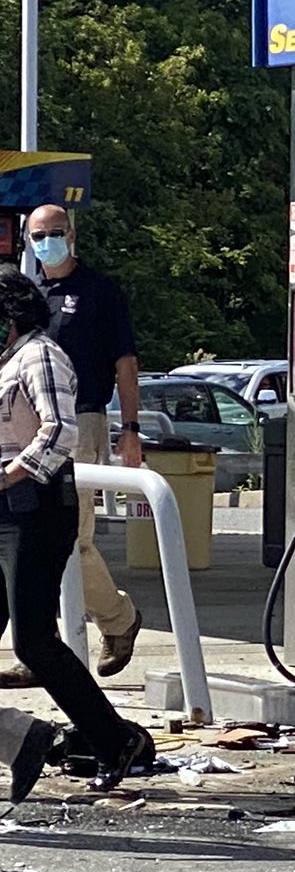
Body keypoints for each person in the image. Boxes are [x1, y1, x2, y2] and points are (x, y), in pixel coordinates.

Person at [0, 265, 152, 792]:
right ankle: (24, 742)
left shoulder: (39, 354)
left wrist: (10, 474)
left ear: (12, 315)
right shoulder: (6, 361)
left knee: (34, 642)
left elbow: (59, 430)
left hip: (35, 510)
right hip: (5, 512)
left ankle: (114, 740)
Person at [0, 202, 143, 686]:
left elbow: (125, 363)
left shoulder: (99, 291)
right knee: (26, 545)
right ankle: (38, 640)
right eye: (38, 235)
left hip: (74, 423)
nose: (47, 242)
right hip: (18, 429)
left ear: (73, 235)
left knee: (71, 539)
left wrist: (130, 428)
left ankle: (116, 620)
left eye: (55, 232)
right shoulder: (25, 295)